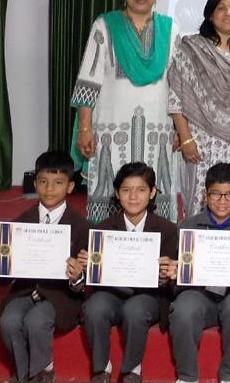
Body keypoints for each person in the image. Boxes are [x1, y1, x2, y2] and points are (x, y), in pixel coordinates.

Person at [72, 0, 180, 223]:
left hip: (158, 128)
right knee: (110, 187)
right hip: (111, 129)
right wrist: (85, 127)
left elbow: (178, 84)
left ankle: (159, 245)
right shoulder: (105, 25)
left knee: (158, 186)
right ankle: (108, 248)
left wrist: (180, 128)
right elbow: (89, 80)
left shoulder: (170, 27)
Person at [0, 151, 88, 383]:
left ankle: (41, 372)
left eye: (58, 183)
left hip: (61, 296)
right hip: (24, 291)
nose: (49, 189)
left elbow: (86, 281)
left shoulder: (82, 227)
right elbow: (4, 276)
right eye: (43, 182)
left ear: (70, 187)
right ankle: (26, 373)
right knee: (8, 322)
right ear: (35, 184)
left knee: (36, 321)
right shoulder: (20, 223)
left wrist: (77, 275)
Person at [169, 0, 230, 218]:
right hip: (201, 142)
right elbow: (175, 96)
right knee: (200, 203)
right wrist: (186, 137)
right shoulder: (190, 48)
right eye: (221, 8)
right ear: (210, 14)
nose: (228, 13)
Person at [80, 162, 178, 383]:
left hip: (148, 296)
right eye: (126, 190)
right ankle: (101, 369)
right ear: (117, 193)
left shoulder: (168, 230)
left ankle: (131, 371)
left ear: (152, 193)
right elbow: (90, 280)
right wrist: (86, 267)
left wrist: (166, 275)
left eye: (141, 190)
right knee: (95, 306)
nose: (133, 197)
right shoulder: (101, 230)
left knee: (135, 309)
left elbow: (172, 282)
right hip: (111, 293)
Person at [169, 162, 230, 383]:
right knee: (184, 308)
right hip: (199, 294)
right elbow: (179, 284)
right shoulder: (188, 226)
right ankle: (187, 377)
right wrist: (176, 274)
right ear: (205, 195)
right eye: (216, 194)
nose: (223, 201)